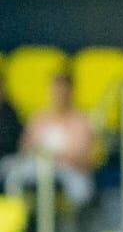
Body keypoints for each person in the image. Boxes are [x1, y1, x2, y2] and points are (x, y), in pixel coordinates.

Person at [2, 73, 95, 208]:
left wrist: (55, 156)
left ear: (71, 93)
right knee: (11, 171)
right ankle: (18, 215)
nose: (59, 95)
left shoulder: (81, 121)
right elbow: (25, 147)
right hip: (36, 166)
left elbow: (84, 159)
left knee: (80, 189)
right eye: (56, 91)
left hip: (68, 170)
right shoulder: (39, 117)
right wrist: (38, 152)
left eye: (63, 91)